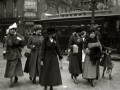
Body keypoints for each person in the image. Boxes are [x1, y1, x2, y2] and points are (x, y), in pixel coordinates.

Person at [3, 23, 25, 87]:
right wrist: (4, 51)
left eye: (14, 29)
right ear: (9, 30)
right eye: (11, 29)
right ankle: (11, 80)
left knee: (15, 67)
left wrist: (20, 40)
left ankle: (14, 77)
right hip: (10, 54)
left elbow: (22, 44)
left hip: (17, 54)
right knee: (11, 68)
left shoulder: (18, 36)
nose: (13, 30)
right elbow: (6, 45)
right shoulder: (7, 37)